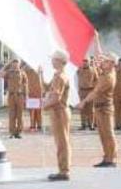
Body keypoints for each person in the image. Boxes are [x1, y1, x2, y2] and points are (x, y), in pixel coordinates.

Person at [77, 51, 118, 167]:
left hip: (105, 108)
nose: (102, 62)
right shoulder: (106, 72)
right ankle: (107, 157)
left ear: (111, 64)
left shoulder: (108, 77)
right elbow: (99, 56)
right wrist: (96, 40)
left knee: (108, 134)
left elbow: (96, 92)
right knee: (103, 134)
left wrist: (84, 102)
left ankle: (112, 159)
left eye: (106, 61)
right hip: (100, 107)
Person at [43, 50, 72, 181]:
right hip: (58, 112)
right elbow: (47, 89)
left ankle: (64, 171)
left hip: (59, 112)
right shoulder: (58, 76)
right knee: (61, 141)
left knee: (62, 142)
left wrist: (44, 106)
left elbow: (56, 98)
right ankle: (63, 169)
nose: (52, 62)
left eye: (54, 59)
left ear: (60, 61)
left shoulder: (60, 77)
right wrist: (40, 75)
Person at [0, 59, 28, 138]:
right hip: (11, 95)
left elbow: (25, 85)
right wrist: (6, 65)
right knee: (12, 114)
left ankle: (18, 132)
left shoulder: (22, 73)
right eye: (13, 64)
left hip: (20, 95)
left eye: (16, 64)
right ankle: (12, 132)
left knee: (20, 115)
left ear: (19, 65)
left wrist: (26, 97)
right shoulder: (8, 72)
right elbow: (0, 74)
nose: (15, 65)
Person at [76, 58, 98, 130]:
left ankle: (91, 124)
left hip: (90, 91)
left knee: (91, 109)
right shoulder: (79, 70)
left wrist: (94, 90)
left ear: (89, 62)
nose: (85, 63)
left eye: (86, 61)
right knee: (82, 109)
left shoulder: (93, 70)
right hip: (82, 91)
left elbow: (97, 80)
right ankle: (83, 124)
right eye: (83, 62)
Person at [24, 64, 43, 131]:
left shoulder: (39, 70)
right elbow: (25, 83)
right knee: (32, 110)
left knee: (38, 111)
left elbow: (42, 82)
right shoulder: (26, 70)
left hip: (38, 92)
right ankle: (32, 125)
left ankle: (39, 125)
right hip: (30, 93)